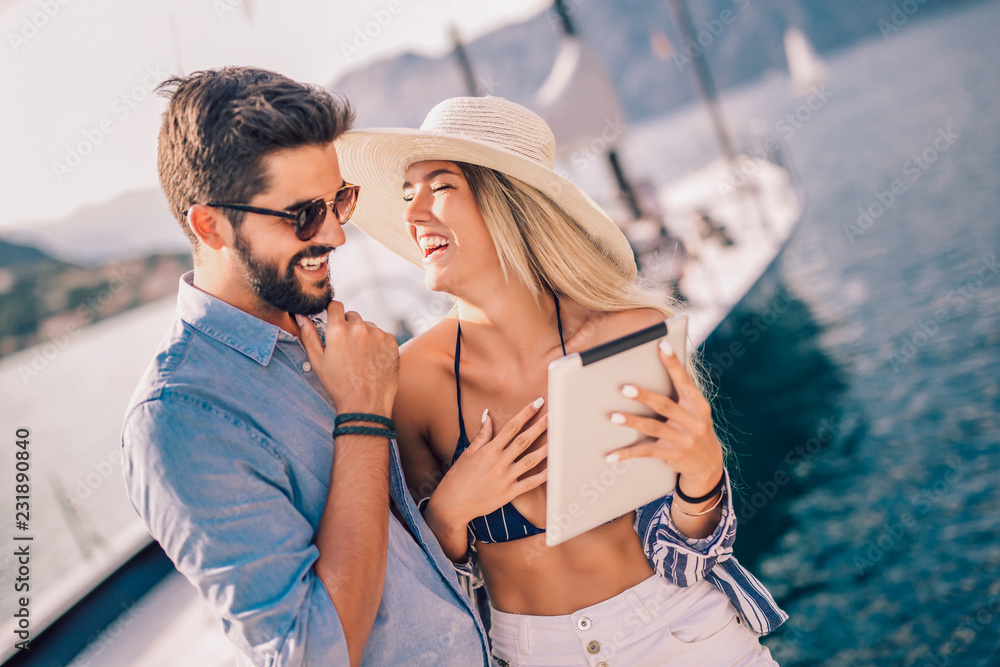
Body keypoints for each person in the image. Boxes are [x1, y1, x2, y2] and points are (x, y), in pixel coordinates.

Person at [336, 96, 788, 666]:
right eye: (407, 193)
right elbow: (422, 597)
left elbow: (688, 558)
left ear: (507, 203)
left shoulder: (628, 333)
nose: (413, 212)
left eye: (440, 187)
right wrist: (448, 514)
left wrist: (702, 475)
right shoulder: (413, 383)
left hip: (685, 634)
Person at [121, 68, 490, 666]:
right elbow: (313, 651)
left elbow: (400, 557)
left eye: (338, 201)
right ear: (210, 224)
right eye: (302, 215)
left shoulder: (322, 329)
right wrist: (365, 416)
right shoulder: (177, 421)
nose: (337, 234)